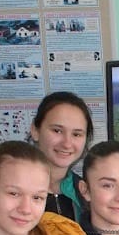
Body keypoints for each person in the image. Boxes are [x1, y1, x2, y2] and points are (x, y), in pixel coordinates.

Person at [29, 91, 94, 222]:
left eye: (76, 134)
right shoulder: (8, 187)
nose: (67, 143)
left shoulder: (85, 193)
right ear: (35, 130)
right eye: (57, 131)